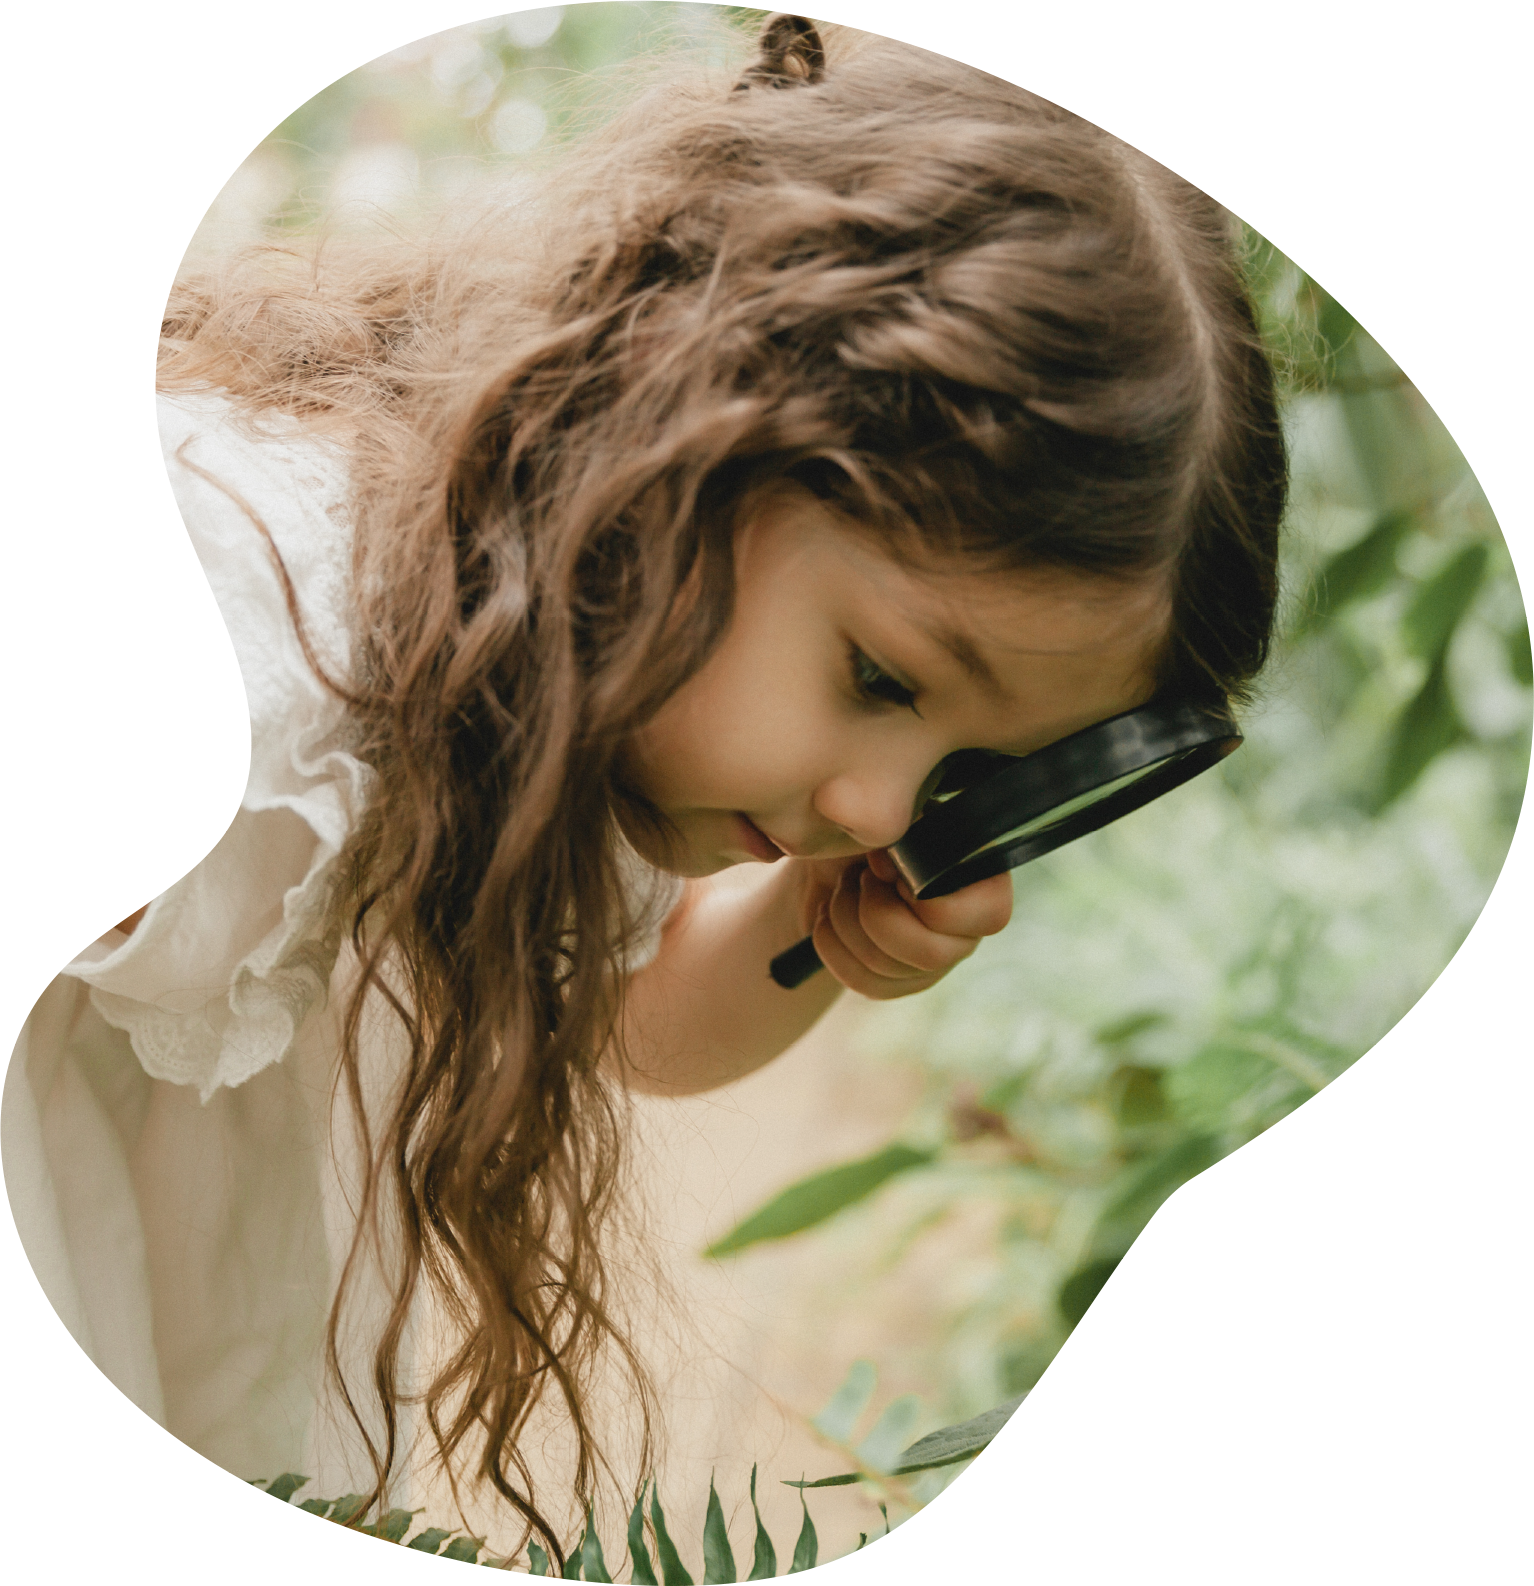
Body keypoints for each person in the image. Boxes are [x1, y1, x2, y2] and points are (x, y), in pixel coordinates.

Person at [8, 11, 1284, 1572]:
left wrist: (815, 927)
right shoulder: (257, 634)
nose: (883, 813)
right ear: (694, 410)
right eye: (881, 679)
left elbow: (634, 1020)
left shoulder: (566, 710)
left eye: (968, 774)